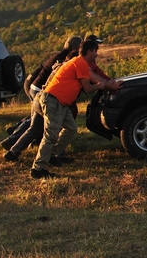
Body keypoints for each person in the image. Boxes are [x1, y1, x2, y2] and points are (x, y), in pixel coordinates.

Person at [25, 39, 122, 178]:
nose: (97, 55)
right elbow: (88, 88)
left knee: (71, 129)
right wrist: (102, 86)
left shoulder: (80, 63)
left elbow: (93, 77)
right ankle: (37, 169)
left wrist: (109, 84)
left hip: (61, 103)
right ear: (89, 51)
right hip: (53, 101)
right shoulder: (79, 62)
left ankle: (53, 154)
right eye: (95, 51)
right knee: (51, 135)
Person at [1, 36, 82, 153]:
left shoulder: (61, 54)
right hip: (40, 89)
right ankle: (15, 140)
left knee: (37, 119)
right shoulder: (66, 58)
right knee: (38, 120)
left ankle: (15, 139)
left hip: (36, 86)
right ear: (74, 48)